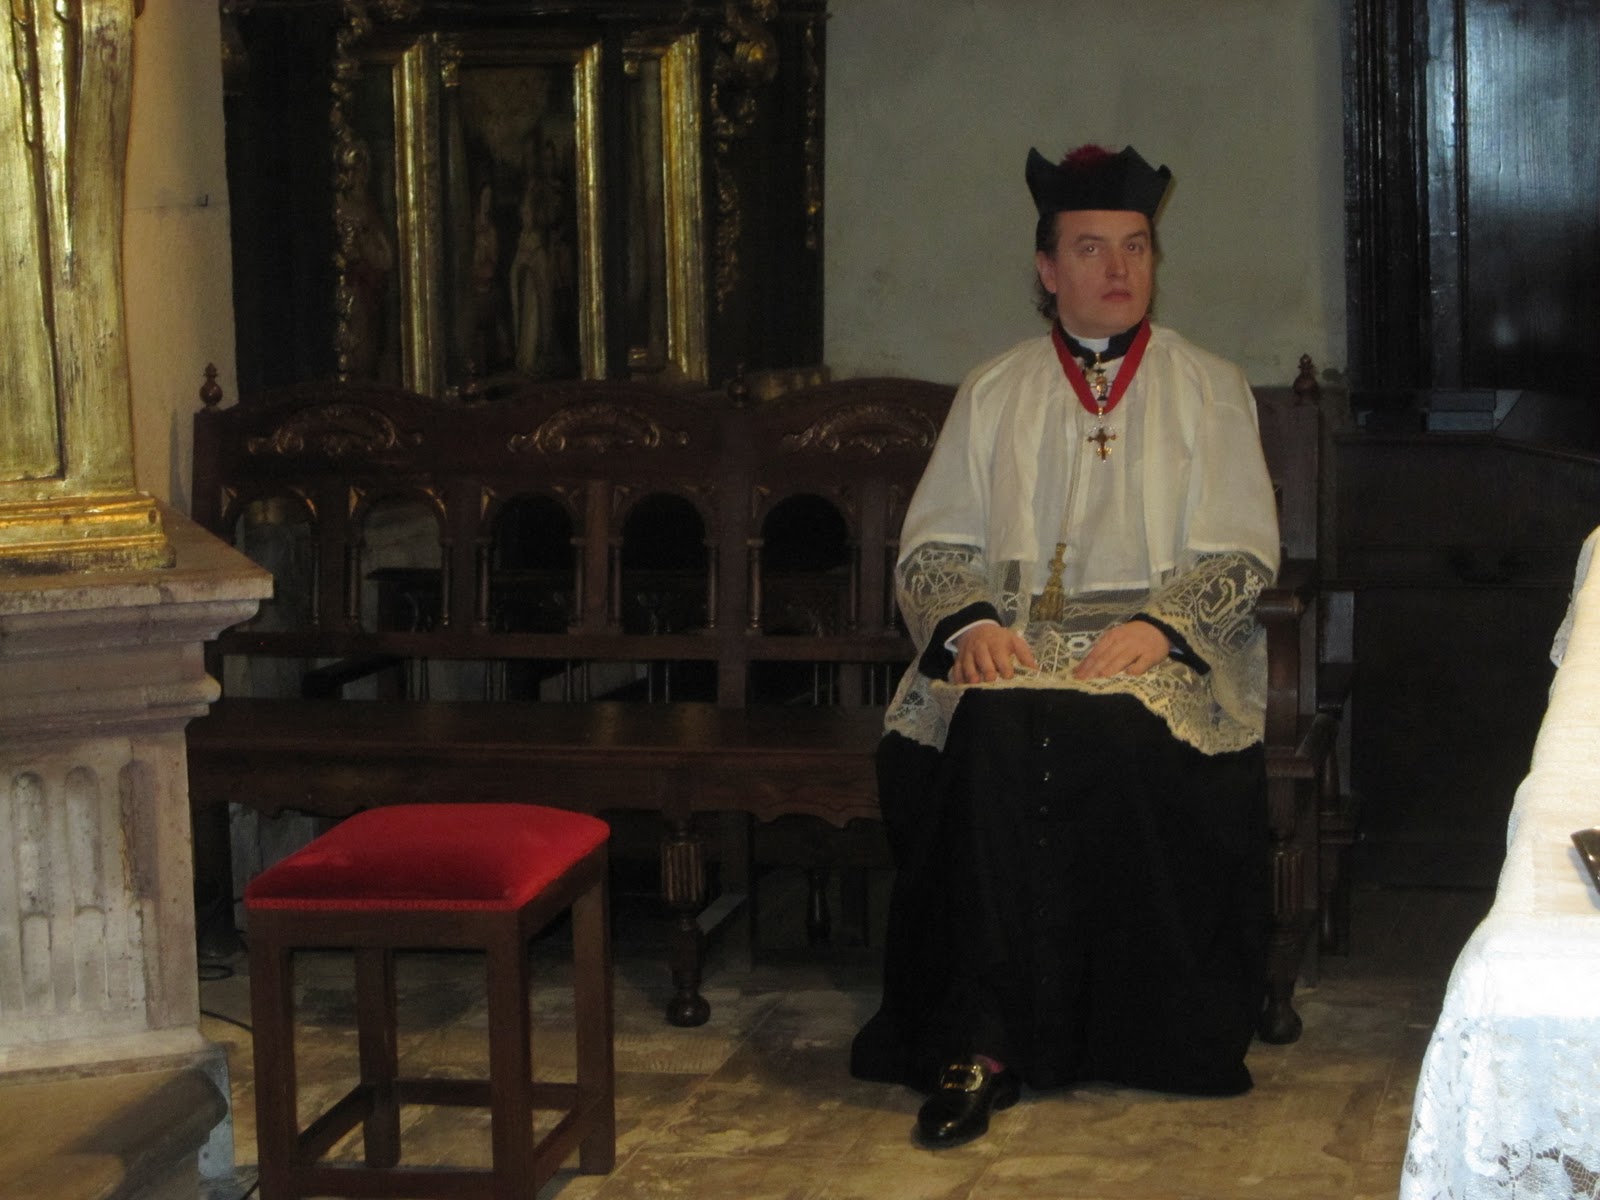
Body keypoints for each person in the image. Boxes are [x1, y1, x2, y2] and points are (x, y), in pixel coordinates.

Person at [848, 143, 1282, 1148]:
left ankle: (1139, 1035)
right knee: (993, 731)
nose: (1119, 268)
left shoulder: (1209, 386)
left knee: (1109, 738)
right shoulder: (993, 390)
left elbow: (1239, 551)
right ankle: (978, 1046)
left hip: (1159, 657)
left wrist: (1160, 627)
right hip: (1011, 646)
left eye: (1136, 246)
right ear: (1047, 268)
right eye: (1091, 249)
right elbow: (934, 546)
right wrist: (971, 629)